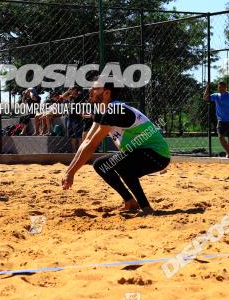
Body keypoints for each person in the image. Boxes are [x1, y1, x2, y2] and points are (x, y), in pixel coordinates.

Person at [61, 80, 171, 216]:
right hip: (140, 153)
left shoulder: (114, 110)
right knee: (101, 164)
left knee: (121, 165)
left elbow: (92, 145)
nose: (90, 90)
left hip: (157, 155)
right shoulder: (101, 110)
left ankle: (146, 208)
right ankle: (130, 202)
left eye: (95, 88)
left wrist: (71, 173)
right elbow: (87, 141)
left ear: (107, 93)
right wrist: (69, 171)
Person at [203, 81, 229, 158]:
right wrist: (207, 87)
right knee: (220, 137)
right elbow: (205, 97)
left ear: (225, 87)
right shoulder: (216, 96)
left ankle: (228, 154)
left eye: (221, 87)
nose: (219, 88)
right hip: (221, 120)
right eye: (218, 87)